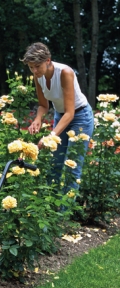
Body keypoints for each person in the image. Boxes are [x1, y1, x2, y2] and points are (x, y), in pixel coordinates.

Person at [21, 42, 94, 192]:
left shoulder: (65, 73)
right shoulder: (38, 76)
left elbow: (70, 112)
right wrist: (37, 119)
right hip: (60, 116)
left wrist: (50, 137)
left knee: (72, 167)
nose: (34, 70)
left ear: (48, 61)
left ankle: (64, 214)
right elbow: (43, 105)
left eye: (37, 66)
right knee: (55, 164)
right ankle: (50, 209)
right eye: (31, 67)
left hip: (80, 117)